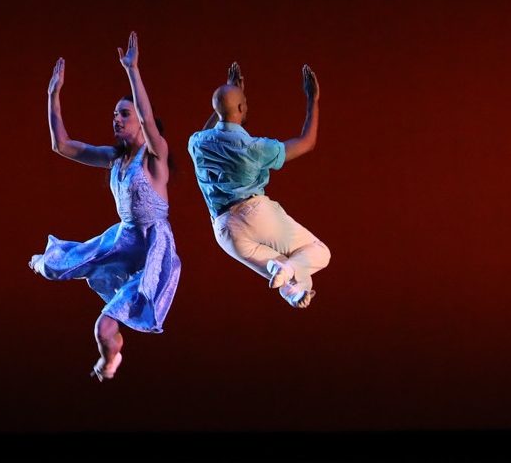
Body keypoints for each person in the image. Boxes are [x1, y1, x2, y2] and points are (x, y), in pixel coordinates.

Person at [30, 32, 182, 381]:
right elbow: (62, 145)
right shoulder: (114, 160)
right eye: (114, 114)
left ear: (141, 124)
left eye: (123, 113)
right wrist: (52, 95)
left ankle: (107, 361)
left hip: (153, 251)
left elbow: (146, 116)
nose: (116, 119)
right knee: (67, 264)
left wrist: (132, 70)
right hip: (124, 242)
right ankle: (110, 356)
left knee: (103, 328)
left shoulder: (155, 155)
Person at [187, 61, 330, 309]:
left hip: (224, 231)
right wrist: (312, 100)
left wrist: (227, 97)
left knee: (285, 270)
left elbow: (208, 129)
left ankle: (294, 292)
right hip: (255, 214)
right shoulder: (253, 148)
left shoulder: (197, 142)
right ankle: (289, 276)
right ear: (241, 107)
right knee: (319, 252)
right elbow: (307, 142)